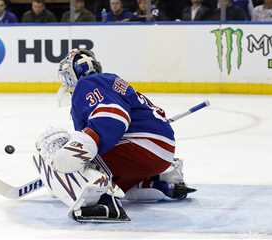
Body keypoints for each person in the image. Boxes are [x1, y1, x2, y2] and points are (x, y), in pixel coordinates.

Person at [35, 49, 196, 222]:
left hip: (141, 148)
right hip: (160, 154)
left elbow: (114, 116)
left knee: (60, 144)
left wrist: (84, 145)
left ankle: (100, 201)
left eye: (67, 76)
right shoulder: (108, 82)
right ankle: (158, 180)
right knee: (92, 157)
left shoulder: (87, 84)